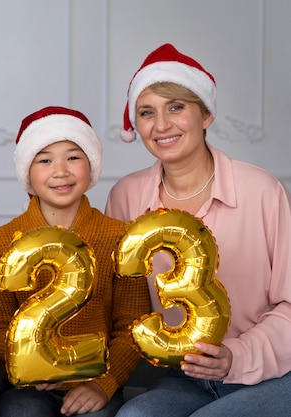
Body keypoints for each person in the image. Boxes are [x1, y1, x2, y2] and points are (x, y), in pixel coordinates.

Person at [106, 43, 291, 417]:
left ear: (205, 115)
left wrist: (235, 356)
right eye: (146, 113)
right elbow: (122, 306)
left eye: (176, 107)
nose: (161, 125)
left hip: (271, 373)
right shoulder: (125, 196)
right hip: (183, 378)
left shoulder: (262, 190)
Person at [0, 106, 150, 417]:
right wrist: (29, 364)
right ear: (28, 175)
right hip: (28, 386)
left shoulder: (120, 238)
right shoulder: (0, 242)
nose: (60, 171)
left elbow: (132, 325)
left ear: (91, 168)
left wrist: (106, 382)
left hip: (96, 382)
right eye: (45, 160)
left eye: (73, 157)